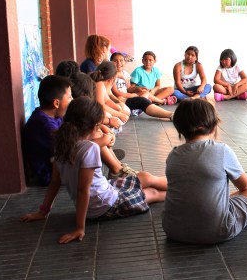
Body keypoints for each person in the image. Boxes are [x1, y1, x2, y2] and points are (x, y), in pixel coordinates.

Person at [21, 97, 168, 244]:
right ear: (95, 127)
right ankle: (178, 193)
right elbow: (82, 190)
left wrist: (43, 211)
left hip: (104, 193)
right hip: (105, 206)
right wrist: (80, 228)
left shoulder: (61, 144)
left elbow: (55, 182)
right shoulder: (89, 149)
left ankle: (177, 184)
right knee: (151, 193)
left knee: (145, 177)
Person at [162, 99, 247, 244]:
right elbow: (245, 186)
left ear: (180, 128)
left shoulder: (173, 155)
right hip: (216, 231)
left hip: (173, 230)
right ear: (213, 125)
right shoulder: (221, 150)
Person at [22, 75, 73, 185]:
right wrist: (100, 141)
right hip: (50, 175)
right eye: (69, 97)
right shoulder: (44, 125)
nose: (72, 100)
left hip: (58, 166)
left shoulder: (54, 115)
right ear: (56, 103)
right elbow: (69, 151)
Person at [110, 52, 173, 119]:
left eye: (121, 60)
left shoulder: (126, 74)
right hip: (121, 98)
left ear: (125, 62)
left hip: (129, 96)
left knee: (145, 93)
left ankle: (151, 103)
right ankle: (160, 102)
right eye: (115, 61)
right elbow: (116, 92)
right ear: (110, 63)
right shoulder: (111, 76)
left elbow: (129, 88)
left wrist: (138, 88)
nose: (119, 63)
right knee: (123, 98)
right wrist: (132, 95)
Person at [91, 61, 131, 128]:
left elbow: (107, 101)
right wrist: (120, 115)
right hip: (93, 113)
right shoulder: (99, 84)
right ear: (112, 78)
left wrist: (119, 109)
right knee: (107, 115)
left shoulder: (102, 85)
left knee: (123, 108)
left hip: (98, 110)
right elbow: (101, 107)